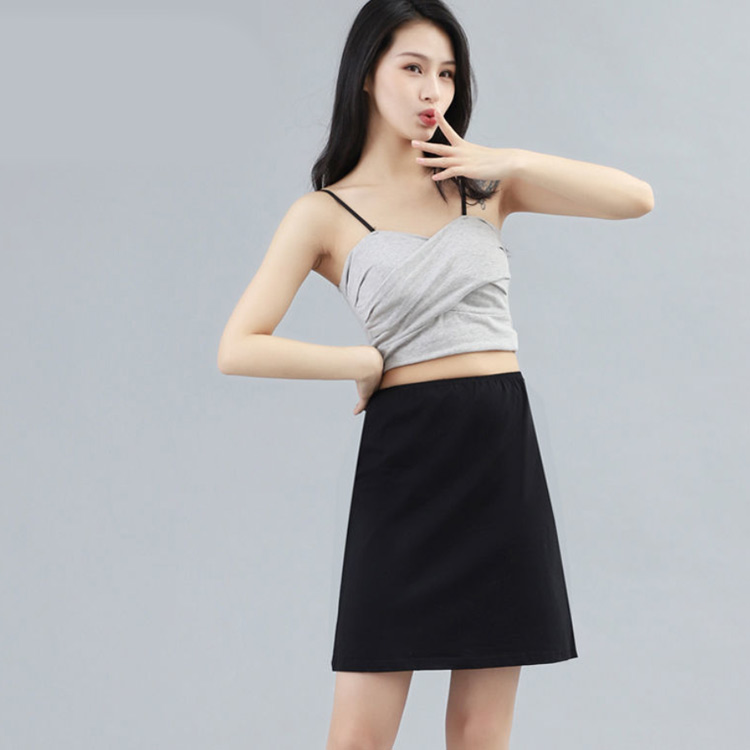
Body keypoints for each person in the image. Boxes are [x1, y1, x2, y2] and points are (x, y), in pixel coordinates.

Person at [217, 1, 654, 748]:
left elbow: (636, 199)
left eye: (447, 74)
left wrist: (509, 161)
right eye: (413, 68)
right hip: (407, 462)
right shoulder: (323, 213)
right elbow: (238, 346)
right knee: (358, 738)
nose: (433, 91)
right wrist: (361, 361)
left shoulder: (481, 186)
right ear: (367, 74)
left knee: (481, 732)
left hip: (499, 457)